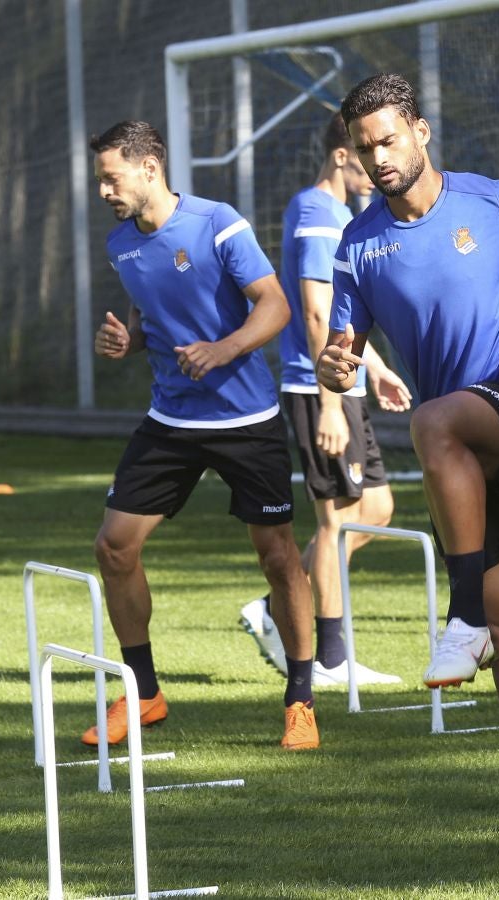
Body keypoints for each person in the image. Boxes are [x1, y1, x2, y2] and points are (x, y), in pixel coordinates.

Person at [317, 73, 499, 864]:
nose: (379, 158)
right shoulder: (359, 243)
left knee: (434, 417)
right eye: (365, 147)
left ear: (421, 131)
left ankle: (462, 610)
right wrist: (337, 368)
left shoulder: (493, 202)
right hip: (465, 462)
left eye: (390, 140)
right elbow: (339, 355)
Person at [88, 120, 321, 752]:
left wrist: (224, 349)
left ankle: (300, 698)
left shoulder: (218, 222)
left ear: (149, 168)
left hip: (247, 421)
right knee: (114, 548)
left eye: (112, 176)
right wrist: (128, 340)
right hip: (171, 422)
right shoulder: (120, 244)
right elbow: (148, 313)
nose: (104, 189)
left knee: (277, 556)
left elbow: (274, 304)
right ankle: (143, 693)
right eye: (100, 179)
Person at [240, 113, 413, 687]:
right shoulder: (316, 213)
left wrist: (378, 369)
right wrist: (333, 401)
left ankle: (273, 607)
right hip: (319, 387)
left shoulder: (343, 214)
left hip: (348, 380)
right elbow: (316, 316)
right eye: (364, 154)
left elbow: (346, 318)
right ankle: (331, 657)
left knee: (379, 508)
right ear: (341, 157)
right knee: (336, 522)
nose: (375, 166)